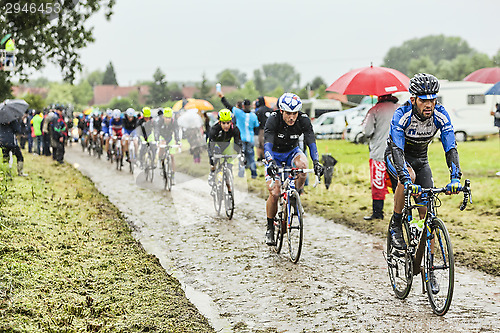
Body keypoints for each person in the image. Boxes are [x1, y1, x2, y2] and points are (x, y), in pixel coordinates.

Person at [385, 73, 462, 293]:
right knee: (408, 176)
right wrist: (406, 178)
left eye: (432, 99)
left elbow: (450, 146)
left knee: (428, 216)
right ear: (413, 99)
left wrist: (455, 176)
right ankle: (396, 222)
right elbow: (398, 150)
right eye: (423, 100)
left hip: (421, 160)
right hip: (396, 157)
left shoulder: (440, 114)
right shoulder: (402, 114)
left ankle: (430, 271)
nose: (429, 105)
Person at [264, 92, 324, 245]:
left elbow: (310, 140)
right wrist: (270, 162)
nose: (292, 117)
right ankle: (270, 227)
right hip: (274, 155)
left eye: (295, 113)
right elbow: (267, 144)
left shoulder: (303, 119)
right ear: (281, 111)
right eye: (288, 113)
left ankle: (294, 195)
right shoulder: (273, 119)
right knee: (275, 192)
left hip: (292, 152)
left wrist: (316, 161)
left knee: (303, 166)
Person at [363, 94, 400, 220]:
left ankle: (378, 213)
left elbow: (367, 131)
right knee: (398, 184)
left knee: (378, 184)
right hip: (397, 154)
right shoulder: (400, 108)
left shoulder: (375, 110)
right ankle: (401, 213)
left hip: (379, 153)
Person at [218, 91, 259, 179]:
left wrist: (222, 97)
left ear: (243, 106)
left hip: (241, 138)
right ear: (250, 106)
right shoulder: (253, 116)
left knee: (241, 156)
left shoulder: (239, 113)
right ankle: (254, 174)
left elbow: (228, 106)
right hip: (250, 139)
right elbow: (256, 127)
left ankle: (241, 173)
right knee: (251, 156)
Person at [207, 109, 243, 191]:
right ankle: (212, 173)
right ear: (219, 122)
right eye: (223, 123)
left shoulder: (235, 129)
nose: (226, 125)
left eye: (228, 123)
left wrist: (241, 154)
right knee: (215, 158)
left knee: (229, 166)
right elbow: (210, 145)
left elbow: (238, 143)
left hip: (226, 145)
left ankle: (229, 190)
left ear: (231, 122)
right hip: (215, 144)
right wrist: (211, 157)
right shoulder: (215, 129)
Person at [155, 107, 181, 183]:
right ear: (163, 117)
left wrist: (178, 141)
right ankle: (160, 160)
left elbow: (176, 132)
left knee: (172, 156)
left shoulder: (174, 122)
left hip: (170, 138)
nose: (168, 119)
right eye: (166, 118)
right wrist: (157, 140)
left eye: (169, 118)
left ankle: (172, 176)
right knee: (162, 146)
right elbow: (157, 131)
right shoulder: (159, 121)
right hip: (162, 137)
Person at [254, 96, 273, 161]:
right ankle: (268, 157)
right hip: (271, 130)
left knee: (260, 145)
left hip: (262, 130)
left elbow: (256, 122)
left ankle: (260, 158)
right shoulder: (270, 109)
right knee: (268, 144)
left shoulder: (259, 111)